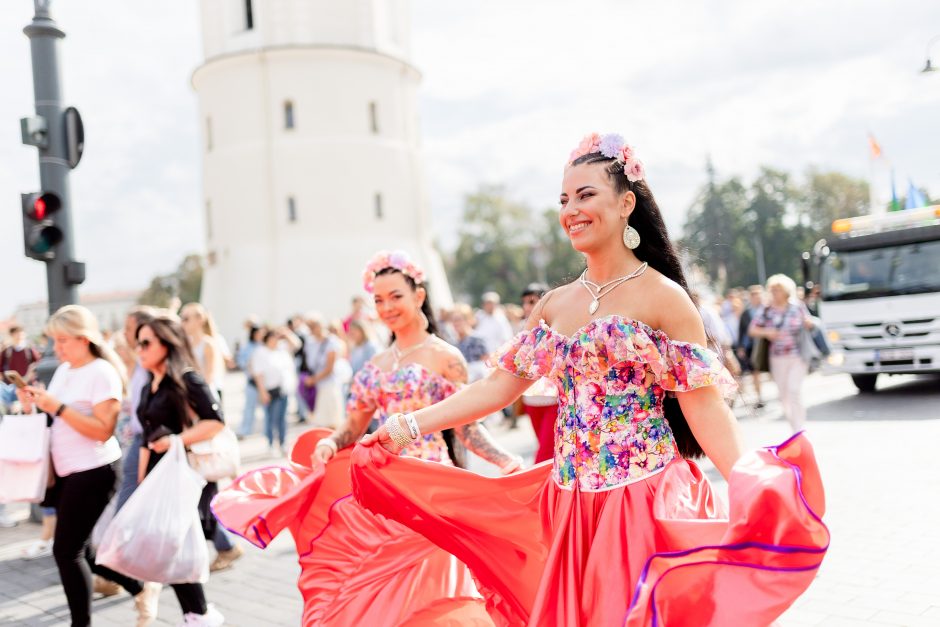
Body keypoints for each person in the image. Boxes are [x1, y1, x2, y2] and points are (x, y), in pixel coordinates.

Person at [354, 133, 829, 626]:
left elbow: (704, 406)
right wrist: (409, 425)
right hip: (570, 507)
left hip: (641, 501)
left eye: (586, 195)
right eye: (564, 199)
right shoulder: (555, 304)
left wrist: (748, 481)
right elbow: (496, 387)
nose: (571, 211)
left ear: (626, 204)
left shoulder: (663, 297)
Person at [212, 250, 522, 626]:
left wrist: (503, 459)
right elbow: (353, 427)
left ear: (418, 296)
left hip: (431, 486)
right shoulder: (375, 367)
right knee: (382, 591)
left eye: (396, 296)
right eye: (378, 299)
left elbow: (467, 426)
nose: (387, 306)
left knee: (437, 586)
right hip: (387, 489)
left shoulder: (445, 356)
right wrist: (331, 442)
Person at [16, 305, 160, 627]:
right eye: (55, 340)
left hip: (95, 470)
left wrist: (58, 407)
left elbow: (101, 430)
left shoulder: (101, 372)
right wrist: (34, 405)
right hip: (67, 470)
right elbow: (54, 417)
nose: (57, 347)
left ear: (84, 339)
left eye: (63, 340)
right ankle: (139, 588)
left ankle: (82, 623)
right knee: (80, 551)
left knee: (66, 552)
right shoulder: (66, 370)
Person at [135, 315, 226, 626]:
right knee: (169, 551)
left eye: (146, 342)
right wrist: (141, 484)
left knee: (174, 550)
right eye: (138, 342)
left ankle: (198, 615)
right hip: (156, 477)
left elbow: (215, 421)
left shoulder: (186, 379)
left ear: (166, 344)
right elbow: (147, 439)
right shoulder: (150, 383)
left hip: (180, 474)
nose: (140, 349)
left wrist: (176, 440)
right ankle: (197, 615)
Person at [749, 274, 814, 431]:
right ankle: (794, 425)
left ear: (786, 291)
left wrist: (808, 324)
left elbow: (810, 322)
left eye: (778, 290)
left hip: (797, 355)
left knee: (793, 390)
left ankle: (799, 429)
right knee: (784, 394)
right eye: (772, 290)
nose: (775, 293)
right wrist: (767, 332)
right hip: (777, 357)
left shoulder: (797, 306)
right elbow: (752, 330)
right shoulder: (766, 310)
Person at [518, 282, 557, 463]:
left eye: (532, 301)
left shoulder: (558, 325)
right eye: (525, 302)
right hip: (531, 398)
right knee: (546, 449)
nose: (527, 306)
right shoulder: (519, 330)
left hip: (554, 399)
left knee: (544, 456)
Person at [250, 327, 299, 456]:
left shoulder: (281, 350)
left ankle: (282, 443)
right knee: (271, 418)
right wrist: (262, 392)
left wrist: (286, 332)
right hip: (270, 389)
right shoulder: (261, 352)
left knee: (282, 418)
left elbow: (297, 344)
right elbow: (258, 373)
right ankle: (271, 443)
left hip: (284, 389)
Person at [301, 313, 346, 429]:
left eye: (313, 326)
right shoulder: (310, 343)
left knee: (331, 423)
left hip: (329, 385)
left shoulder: (332, 342)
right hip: (316, 387)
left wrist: (313, 379)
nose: (311, 329)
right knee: (318, 422)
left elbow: (329, 368)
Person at [736, 285, 766, 409]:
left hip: (765, 345)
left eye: (758, 295)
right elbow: (742, 331)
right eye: (754, 296)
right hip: (751, 347)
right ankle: (759, 397)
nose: (756, 298)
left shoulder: (767, 310)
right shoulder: (746, 313)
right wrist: (741, 347)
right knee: (755, 373)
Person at [236, 324, 266, 438]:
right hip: (252, 382)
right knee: (249, 407)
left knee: (266, 409)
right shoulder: (248, 347)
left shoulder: (264, 346)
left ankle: (267, 432)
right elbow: (241, 362)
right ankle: (245, 430)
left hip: (264, 382)